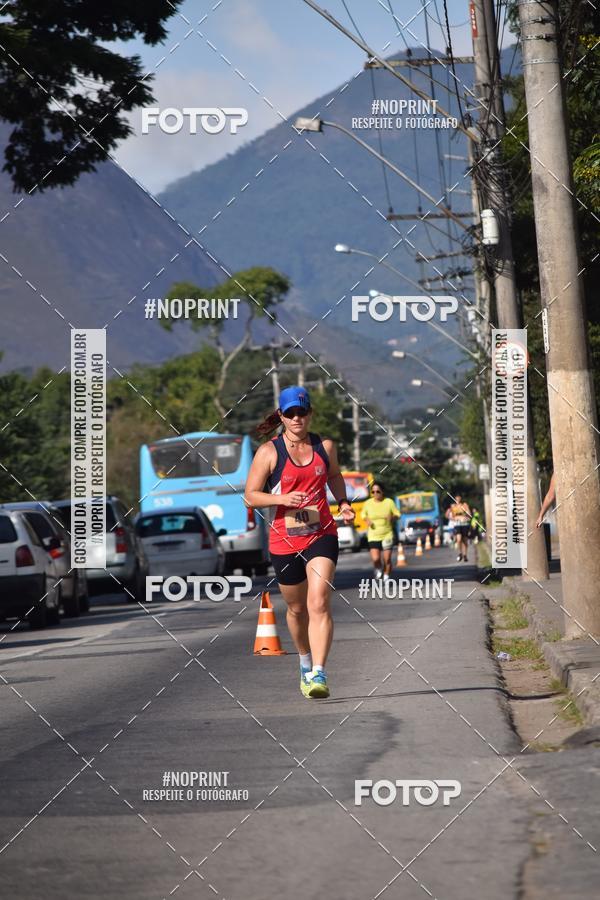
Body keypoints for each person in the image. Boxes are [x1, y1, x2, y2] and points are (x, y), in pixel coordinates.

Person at [245, 386, 355, 700]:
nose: (297, 418)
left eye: (302, 412)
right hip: (284, 540)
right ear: (281, 416)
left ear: (310, 414)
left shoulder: (325, 446)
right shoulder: (269, 452)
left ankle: (319, 672)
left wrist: (344, 502)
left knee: (318, 601)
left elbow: (334, 475)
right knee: (296, 609)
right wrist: (281, 498)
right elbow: (250, 496)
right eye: (290, 413)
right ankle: (305, 661)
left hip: (321, 534)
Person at [361, 482, 399, 581]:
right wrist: (367, 520)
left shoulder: (389, 502)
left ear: (383, 492)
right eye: (373, 492)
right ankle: (378, 568)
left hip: (387, 534)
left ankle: (386, 575)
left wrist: (392, 517)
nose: (375, 494)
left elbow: (397, 514)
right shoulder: (368, 503)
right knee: (376, 559)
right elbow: (363, 514)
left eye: (378, 491)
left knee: (386, 559)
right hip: (373, 535)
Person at [447, 494, 472, 562]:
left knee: (465, 541)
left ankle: (465, 555)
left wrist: (466, 517)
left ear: (460, 498)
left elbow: (469, 515)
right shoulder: (453, 506)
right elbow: (449, 516)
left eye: (459, 498)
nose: (457, 499)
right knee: (458, 539)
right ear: (455, 499)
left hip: (464, 524)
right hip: (457, 524)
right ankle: (460, 553)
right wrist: (453, 519)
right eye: (456, 498)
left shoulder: (464, 505)